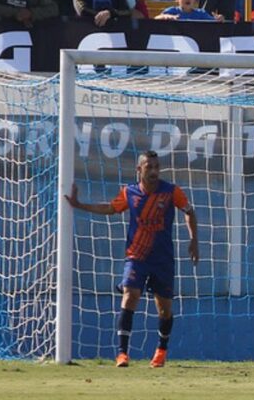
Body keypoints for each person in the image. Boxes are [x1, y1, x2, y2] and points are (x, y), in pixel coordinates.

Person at [64, 150, 199, 369]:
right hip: (137, 256)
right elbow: (110, 208)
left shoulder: (171, 192)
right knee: (130, 294)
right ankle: (122, 354)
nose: (154, 171)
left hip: (163, 259)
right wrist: (81, 205)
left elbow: (189, 211)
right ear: (139, 169)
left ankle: (160, 352)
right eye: (149, 167)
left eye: (157, 167)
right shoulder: (130, 192)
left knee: (164, 309)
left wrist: (194, 240)